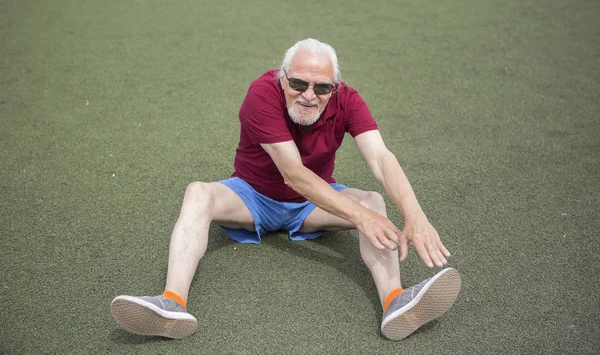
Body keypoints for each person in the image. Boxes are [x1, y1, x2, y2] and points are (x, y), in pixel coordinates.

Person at [110, 38, 461, 341]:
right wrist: (360, 218)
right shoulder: (261, 95)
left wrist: (415, 215)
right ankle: (172, 302)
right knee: (198, 192)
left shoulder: (348, 101)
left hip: (312, 206)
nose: (310, 95)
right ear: (282, 77)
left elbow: (382, 158)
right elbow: (293, 174)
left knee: (373, 201)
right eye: (298, 83)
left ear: (335, 86)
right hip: (251, 197)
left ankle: (394, 301)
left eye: (322, 87)